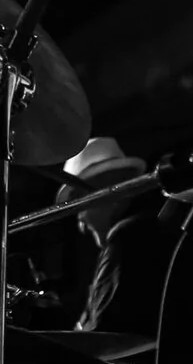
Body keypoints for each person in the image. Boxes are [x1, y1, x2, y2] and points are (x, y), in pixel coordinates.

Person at [59, 135, 164, 335]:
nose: (80, 219)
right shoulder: (146, 228)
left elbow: (103, 339)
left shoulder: (125, 238)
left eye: (80, 202)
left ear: (110, 194)